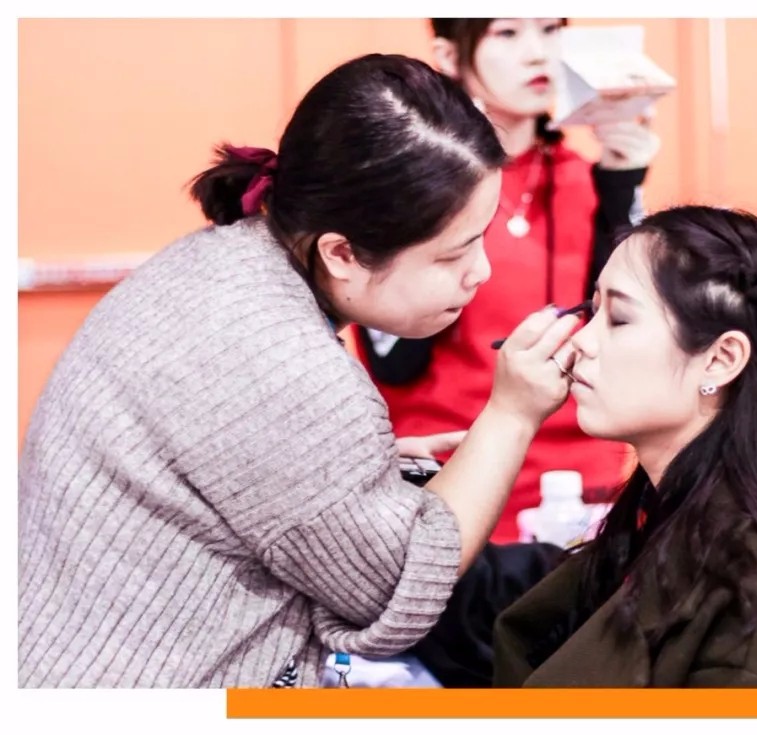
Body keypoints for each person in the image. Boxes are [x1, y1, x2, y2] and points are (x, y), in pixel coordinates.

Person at [18, 53, 582, 688]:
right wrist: (511, 414)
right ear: (340, 253)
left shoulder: (218, 264)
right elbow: (392, 590)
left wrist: (353, 468)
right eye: (453, 254)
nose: (480, 272)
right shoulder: (285, 365)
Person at [491, 206, 757, 687]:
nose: (582, 342)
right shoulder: (665, 519)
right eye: (593, 312)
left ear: (720, 360)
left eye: (619, 319)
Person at [353, 18, 661, 542]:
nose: (538, 53)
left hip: (584, 498)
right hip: (450, 489)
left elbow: (623, 338)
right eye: (508, 33)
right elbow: (396, 364)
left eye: (550, 29)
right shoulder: (411, 183)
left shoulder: (590, 179)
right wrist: (430, 181)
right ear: (449, 56)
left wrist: (621, 184)